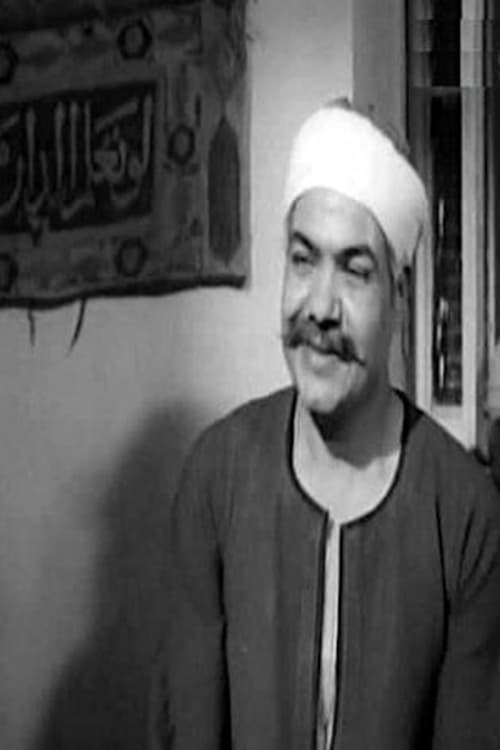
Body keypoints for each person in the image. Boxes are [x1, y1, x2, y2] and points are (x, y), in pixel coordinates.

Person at [153, 100, 500, 750]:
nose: (320, 306)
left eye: (355, 271)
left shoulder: (466, 517)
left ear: (400, 295)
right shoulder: (216, 478)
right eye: (303, 259)